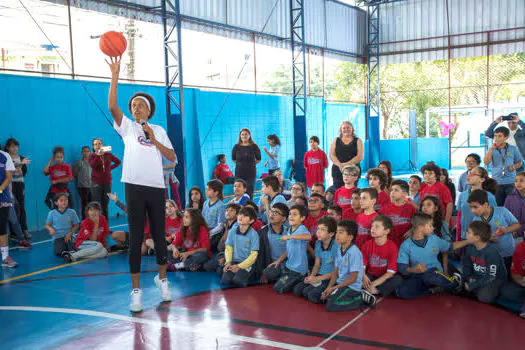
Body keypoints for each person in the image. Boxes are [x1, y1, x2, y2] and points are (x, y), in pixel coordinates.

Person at [108, 56, 176, 312]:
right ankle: (135, 291)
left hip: (156, 187)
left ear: (149, 110)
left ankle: (162, 280)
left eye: (140, 106)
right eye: (133, 106)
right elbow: (113, 105)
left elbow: (172, 157)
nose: (136, 109)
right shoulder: (127, 128)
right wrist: (115, 75)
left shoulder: (157, 129)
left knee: (159, 236)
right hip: (134, 186)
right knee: (135, 238)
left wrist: (153, 139)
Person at [396, 213, 470, 300]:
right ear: (420, 228)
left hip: (433, 273)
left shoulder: (434, 239)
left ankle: (455, 282)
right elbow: (402, 267)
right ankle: (433, 290)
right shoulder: (406, 245)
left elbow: (451, 246)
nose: (433, 228)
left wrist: (468, 241)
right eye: (430, 225)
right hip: (418, 275)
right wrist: (414, 270)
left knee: (429, 276)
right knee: (402, 292)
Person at [321, 220, 376, 311]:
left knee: (330, 305)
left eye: (341, 232)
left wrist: (334, 288)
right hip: (340, 283)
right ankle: (335, 293)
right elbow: (335, 272)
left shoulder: (354, 252)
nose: (337, 235)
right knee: (319, 297)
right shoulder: (339, 248)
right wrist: (329, 287)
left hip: (351, 286)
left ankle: (361, 298)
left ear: (350, 237)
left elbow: (353, 278)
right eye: (337, 232)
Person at [468, 189, 520, 274]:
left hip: (507, 253)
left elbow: (517, 225)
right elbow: (475, 240)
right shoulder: (475, 220)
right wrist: (487, 238)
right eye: (471, 207)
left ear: (485, 204)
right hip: (489, 256)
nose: (472, 210)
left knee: (507, 277)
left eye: (475, 207)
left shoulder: (502, 211)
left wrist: (506, 230)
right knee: (494, 278)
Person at [293, 216, 338, 303]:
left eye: (323, 229)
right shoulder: (318, 243)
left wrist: (319, 278)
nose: (318, 232)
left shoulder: (336, 246)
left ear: (331, 234)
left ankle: (332, 293)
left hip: (331, 278)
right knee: (297, 290)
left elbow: (337, 271)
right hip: (320, 275)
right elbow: (317, 264)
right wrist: (312, 276)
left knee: (310, 295)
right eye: (318, 229)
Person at [463, 221, 507, 304]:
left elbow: (490, 276)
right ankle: (474, 288)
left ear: (477, 237)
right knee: (457, 282)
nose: (466, 233)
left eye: (469, 232)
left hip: (495, 279)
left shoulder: (492, 252)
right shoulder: (470, 247)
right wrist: (469, 278)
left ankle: (478, 289)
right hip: (478, 276)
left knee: (485, 297)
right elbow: (467, 266)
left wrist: (473, 285)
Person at [273, 205, 311, 294]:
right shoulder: (290, 229)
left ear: (302, 218)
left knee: (282, 289)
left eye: (294, 214)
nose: (291, 216)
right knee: (276, 284)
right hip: (289, 267)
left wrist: (290, 237)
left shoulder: (302, 228)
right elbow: (288, 249)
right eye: (290, 214)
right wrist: (278, 261)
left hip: (298, 269)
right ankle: (295, 281)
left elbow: (308, 236)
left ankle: (302, 277)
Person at [362, 216, 403, 296]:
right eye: (372, 226)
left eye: (377, 226)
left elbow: (390, 273)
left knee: (398, 280)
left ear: (386, 231)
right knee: (357, 277)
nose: (372, 229)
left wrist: (374, 283)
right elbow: (362, 266)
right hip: (371, 275)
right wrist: (363, 276)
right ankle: (373, 289)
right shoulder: (366, 245)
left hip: (385, 277)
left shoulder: (392, 247)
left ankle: (376, 291)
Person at [484, 126, 523, 206]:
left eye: (499, 136)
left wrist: (514, 166)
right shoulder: (491, 149)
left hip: (511, 182)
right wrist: (491, 149)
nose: (496, 138)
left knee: (512, 205)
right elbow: (485, 162)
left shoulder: (512, 148)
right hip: (497, 183)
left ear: (506, 137)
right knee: (498, 205)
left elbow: (520, 162)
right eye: (495, 136)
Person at [221, 207, 260, 287]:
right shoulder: (233, 230)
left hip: (247, 264)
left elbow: (253, 255)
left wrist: (239, 266)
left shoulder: (254, 234)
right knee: (225, 281)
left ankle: (252, 274)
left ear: (251, 221)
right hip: (234, 261)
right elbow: (228, 248)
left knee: (238, 281)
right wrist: (228, 262)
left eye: (245, 216)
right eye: (240, 214)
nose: (241, 217)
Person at [456, 167, 497, 240]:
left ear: (482, 179)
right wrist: (457, 237)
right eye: (469, 173)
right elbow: (460, 217)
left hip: (482, 237)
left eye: (473, 174)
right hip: (465, 236)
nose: (469, 175)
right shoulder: (462, 195)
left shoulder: (489, 197)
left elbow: (494, 217)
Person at [4, 138, 31, 239]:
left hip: (20, 184)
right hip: (9, 185)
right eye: (12, 146)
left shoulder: (21, 157)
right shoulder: (5, 157)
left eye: (16, 146)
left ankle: (25, 229)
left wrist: (22, 164)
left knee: (21, 207)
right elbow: (9, 168)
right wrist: (20, 163)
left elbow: (24, 171)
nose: (14, 148)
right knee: (11, 208)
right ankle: (13, 232)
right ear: (7, 148)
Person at [203, 203, 240, 274]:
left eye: (231, 210)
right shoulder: (226, 225)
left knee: (219, 271)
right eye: (227, 210)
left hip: (233, 256)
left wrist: (226, 258)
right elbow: (221, 245)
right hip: (223, 253)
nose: (228, 212)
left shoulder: (237, 226)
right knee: (206, 266)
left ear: (237, 214)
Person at [89, 138, 121, 218]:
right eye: (95, 144)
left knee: (105, 204)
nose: (97, 145)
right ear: (93, 147)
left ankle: (105, 226)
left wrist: (109, 168)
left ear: (102, 145)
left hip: (107, 182)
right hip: (96, 182)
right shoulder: (92, 156)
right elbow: (92, 165)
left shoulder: (108, 155)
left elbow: (118, 161)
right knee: (97, 205)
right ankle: (97, 225)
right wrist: (98, 155)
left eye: (99, 143)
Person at [329, 121, 364, 189]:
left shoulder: (358, 141)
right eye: (344, 128)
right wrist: (340, 165)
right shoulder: (336, 140)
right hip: (338, 170)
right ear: (341, 130)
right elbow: (332, 155)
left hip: (353, 171)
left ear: (352, 129)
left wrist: (346, 165)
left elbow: (360, 156)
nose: (346, 130)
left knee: (351, 191)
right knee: (338, 191)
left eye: (348, 127)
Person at [260, 203, 289, 283]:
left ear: (283, 218)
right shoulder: (263, 231)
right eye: (271, 211)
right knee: (269, 273)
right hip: (272, 265)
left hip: (287, 265)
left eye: (276, 213)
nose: (272, 214)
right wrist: (262, 273)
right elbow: (260, 254)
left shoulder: (289, 232)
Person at [382, 180, 416, 247]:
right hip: (390, 244)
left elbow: (416, 224)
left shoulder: (411, 208)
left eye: (396, 190)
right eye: (391, 190)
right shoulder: (384, 209)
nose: (392, 192)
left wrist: (412, 230)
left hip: (407, 244)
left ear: (404, 194)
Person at [0, 145, 17, 268]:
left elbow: (8, 178)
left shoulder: (5, 156)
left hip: (2, 197)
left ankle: (5, 257)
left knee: (2, 226)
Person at [232, 128, 261, 197]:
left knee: (249, 192)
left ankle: (249, 207)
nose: (244, 136)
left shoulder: (254, 146)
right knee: (238, 192)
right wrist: (242, 165)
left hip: (250, 173)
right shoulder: (236, 147)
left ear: (249, 135)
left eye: (246, 134)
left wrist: (250, 165)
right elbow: (234, 159)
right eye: (242, 134)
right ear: (240, 136)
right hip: (239, 172)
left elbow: (258, 159)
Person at [500, 240, 525, 317]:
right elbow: (515, 274)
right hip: (523, 284)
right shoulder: (520, 248)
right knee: (505, 291)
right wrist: (522, 282)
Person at [202, 179, 225, 251]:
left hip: (214, 234)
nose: (206, 191)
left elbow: (220, 226)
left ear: (216, 192)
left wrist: (209, 233)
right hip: (205, 231)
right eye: (206, 189)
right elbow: (202, 219)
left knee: (204, 248)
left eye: (209, 190)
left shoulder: (220, 206)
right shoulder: (205, 203)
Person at [504, 171, 525, 240]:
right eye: (516, 181)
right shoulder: (510, 197)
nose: (518, 183)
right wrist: (510, 229)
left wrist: (519, 231)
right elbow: (505, 216)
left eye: (521, 181)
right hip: (512, 232)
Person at [73, 146, 92, 220]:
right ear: (82, 153)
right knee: (84, 205)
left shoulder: (93, 162)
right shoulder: (79, 163)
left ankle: (92, 221)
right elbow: (74, 173)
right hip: (82, 187)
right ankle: (84, 221)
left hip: (92, 186)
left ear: (90, 152)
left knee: (92, 205)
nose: (86, 153)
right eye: (84, 151)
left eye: (88, 151)